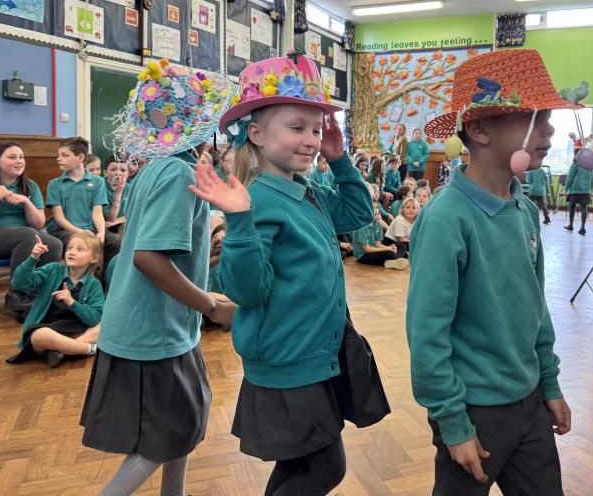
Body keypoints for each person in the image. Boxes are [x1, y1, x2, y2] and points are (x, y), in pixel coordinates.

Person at [192, 54, 389, 495]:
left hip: (313, 353)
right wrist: (239, 221)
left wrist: (340, 160)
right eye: (297, 128)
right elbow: (246, 290)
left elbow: (358, 214)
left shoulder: (307, 189)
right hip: (287, 362)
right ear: (257, 134)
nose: (311, 140)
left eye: (316, 129)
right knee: (324, 469)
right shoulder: (258, 199)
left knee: (300, 468)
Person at [408, 49, 575, 495]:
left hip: (529, 402)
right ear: (479, 129)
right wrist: (452, 421)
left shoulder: (524, 208)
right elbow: (427, 333)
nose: (549, 129)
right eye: (533, 118)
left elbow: (536, 309)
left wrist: (549, 382)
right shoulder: (446, 218)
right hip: (473, 411)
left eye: (548, 118)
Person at [81, 60, 235, 496]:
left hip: (161, 324)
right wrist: (211, 306)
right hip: (154, 328)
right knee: (169, 432)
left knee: (181, 423)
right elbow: (148, 258)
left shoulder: (157, 168)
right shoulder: (178, 173)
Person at [0, 141, 63, 312]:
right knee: (27, 235)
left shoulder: (29, 186)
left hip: (23, 239)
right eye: (12, 157)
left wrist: (26, 202)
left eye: (21, 157)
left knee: (54, 244)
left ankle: (42, 295)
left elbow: (39, 223)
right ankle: (17, 293)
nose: (19, 161)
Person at [6, 234, 104, 368]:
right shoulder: (52, 269)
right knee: (41, 335)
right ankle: (88, 349)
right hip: (46, 328)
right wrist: (33, 258)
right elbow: (18, 283)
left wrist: (72, 303)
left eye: (80, 249)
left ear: (94, 258)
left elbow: (94, 319)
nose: (71, 252)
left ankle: (61, 350)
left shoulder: (94, 284)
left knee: (104, 325)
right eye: (70, 248)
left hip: (74, 330)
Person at [45, 137, 120, 267]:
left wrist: (101, 232)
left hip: (90, 230)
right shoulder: (55, 184)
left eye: (64, 155)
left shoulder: (98, 182)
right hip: (64, 231)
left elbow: (97, 213)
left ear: (80, 157)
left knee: (115, 240)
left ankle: (102, 277)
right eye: (59, 155)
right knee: (82, 242)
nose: (58, 159)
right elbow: (59, 217)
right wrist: (78, 231)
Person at [353, 200, 409, 269]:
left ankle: (392, 261)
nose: (376, 210)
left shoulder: (377, 224)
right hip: (363, 255)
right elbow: (367, 249)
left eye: (377, 207)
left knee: (402, 246)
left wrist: (390, 247)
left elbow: (378, 245)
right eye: (373, 208)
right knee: (389, 254)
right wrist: (388, 248)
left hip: (374, 250)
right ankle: (396, 258)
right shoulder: (362, 227)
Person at [563, 155, 593, 235]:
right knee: (584, 208)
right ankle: (583, 227)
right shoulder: (589, 166)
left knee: (572, 207)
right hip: (586, 191)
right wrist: (591, 190)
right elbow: (592, 179)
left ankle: (571, 225)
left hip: (575, 190)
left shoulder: (575, 165)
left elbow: (570, 178)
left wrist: (565, 189)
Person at [103, 156, 130, 229]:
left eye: (123, 170)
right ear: (105, 173)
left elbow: (134, 214)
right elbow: (110, 218)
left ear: (128, 174)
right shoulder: (100, 186)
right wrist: (118, 193)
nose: (118, 173)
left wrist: (114, 223)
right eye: (113, 169)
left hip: (121, 226)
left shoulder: (131, 188)